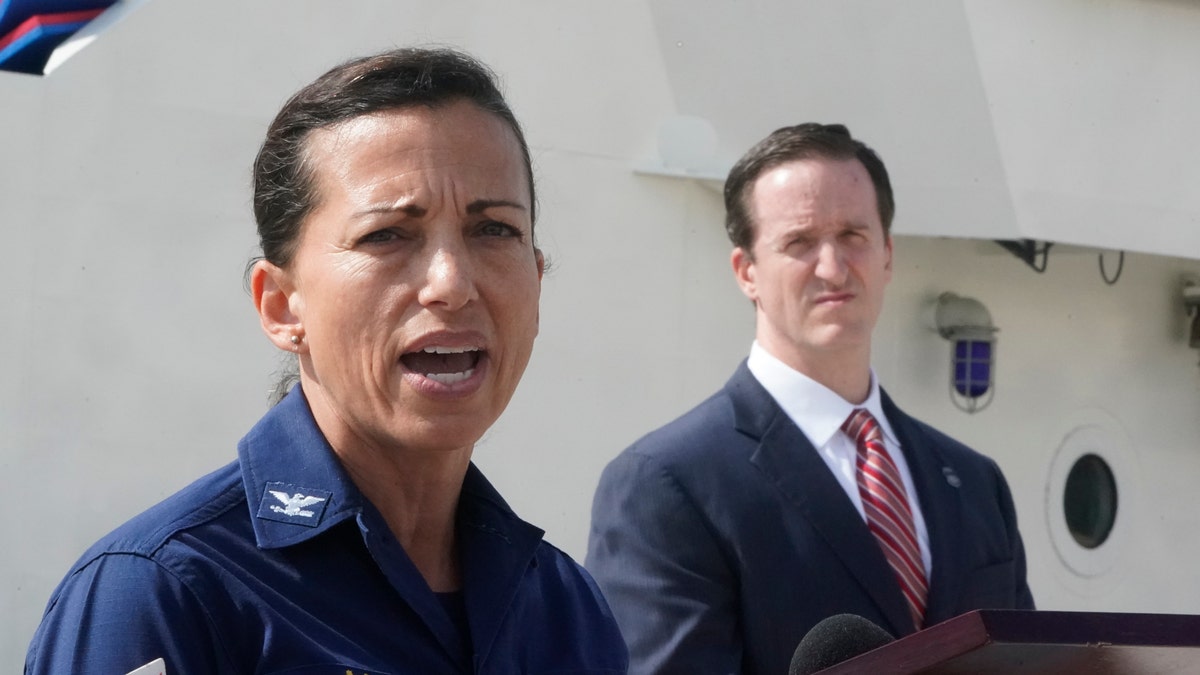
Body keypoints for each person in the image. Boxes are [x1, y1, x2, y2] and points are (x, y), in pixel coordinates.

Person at [26, 47, 627, 674]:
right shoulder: (166, 593)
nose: (451, 283)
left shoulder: (568, 609)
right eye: (387, 235)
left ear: (535, 282)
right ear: (283, 306)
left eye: (494, 230)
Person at [586, 123, 1033, 675]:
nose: (832, 267)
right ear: (746, 271)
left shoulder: (976, 483)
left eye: (853, 235)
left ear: (888, 254)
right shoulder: (666, 486)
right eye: (799, 242)